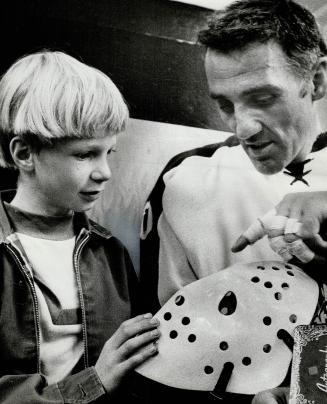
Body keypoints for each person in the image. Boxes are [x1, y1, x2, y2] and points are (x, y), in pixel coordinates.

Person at [138, 0, 327, 401]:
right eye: (225, 104)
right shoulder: (185, 180)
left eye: (262, 98)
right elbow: (164, 340)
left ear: (317, 81)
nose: (243, 127)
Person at [0, 50, 161, 403]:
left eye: (109, 153)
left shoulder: (111, 253)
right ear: (24, 154)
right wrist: (95, 380)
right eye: (85, 154)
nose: (105, 172)